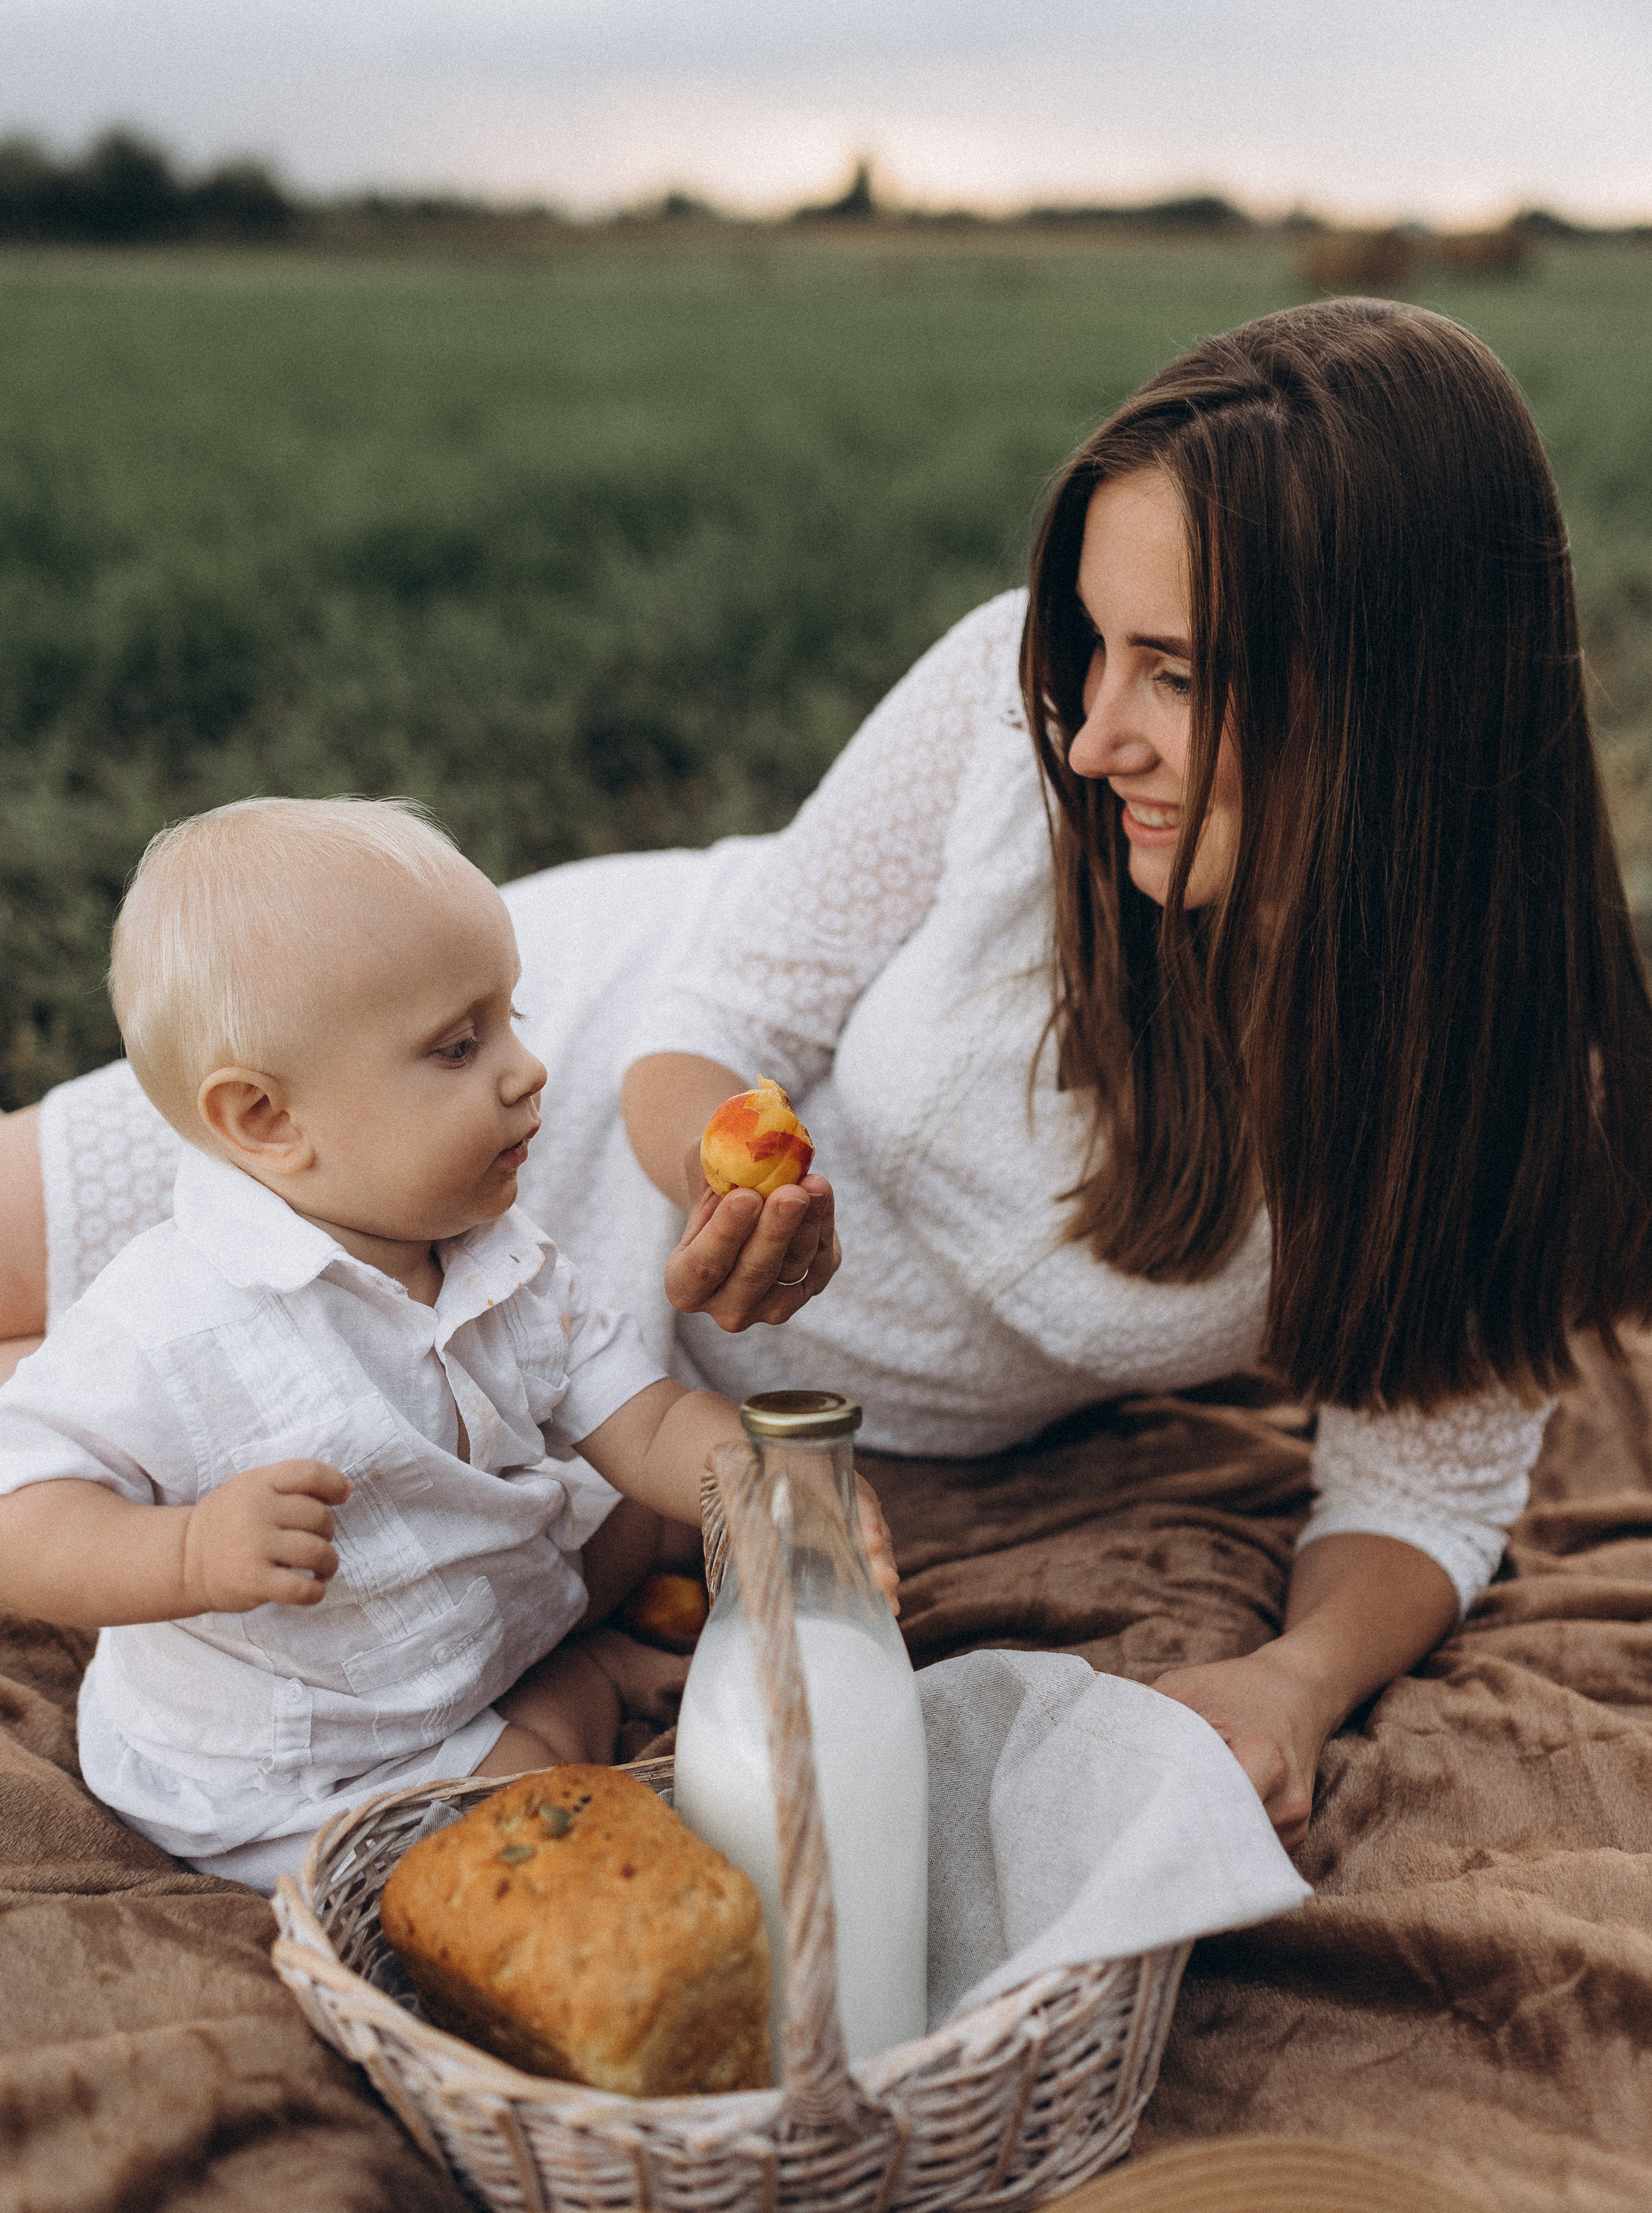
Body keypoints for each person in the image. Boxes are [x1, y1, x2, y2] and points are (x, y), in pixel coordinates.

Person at [2, 300, 1647, 1855]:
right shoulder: (1020, 725)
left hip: (640, 1412)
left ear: (1398, 694)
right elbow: (723, 1004)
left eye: (1177, 672)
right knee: (71, 1326)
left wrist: (1290, 1681)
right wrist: (723, 1179)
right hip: (507, 1068)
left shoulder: (1503, 1083)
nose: (1087, 737)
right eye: (1093, 643)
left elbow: (1422, 1477)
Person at [0, 796, 899, 1892]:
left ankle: (574, 1638)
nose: (527, 1069)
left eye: (511, 1020)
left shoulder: (499, 1255)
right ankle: (594, 1680)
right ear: (269, 1123)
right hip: (309, 1769)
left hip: (474, 1614)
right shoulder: (171, 1321)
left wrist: (763, 1484)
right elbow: (23, 1513)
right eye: (460, 1046)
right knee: (504, 1836)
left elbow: (646, 1417)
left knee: (647, 1502)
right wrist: (188, 1552)